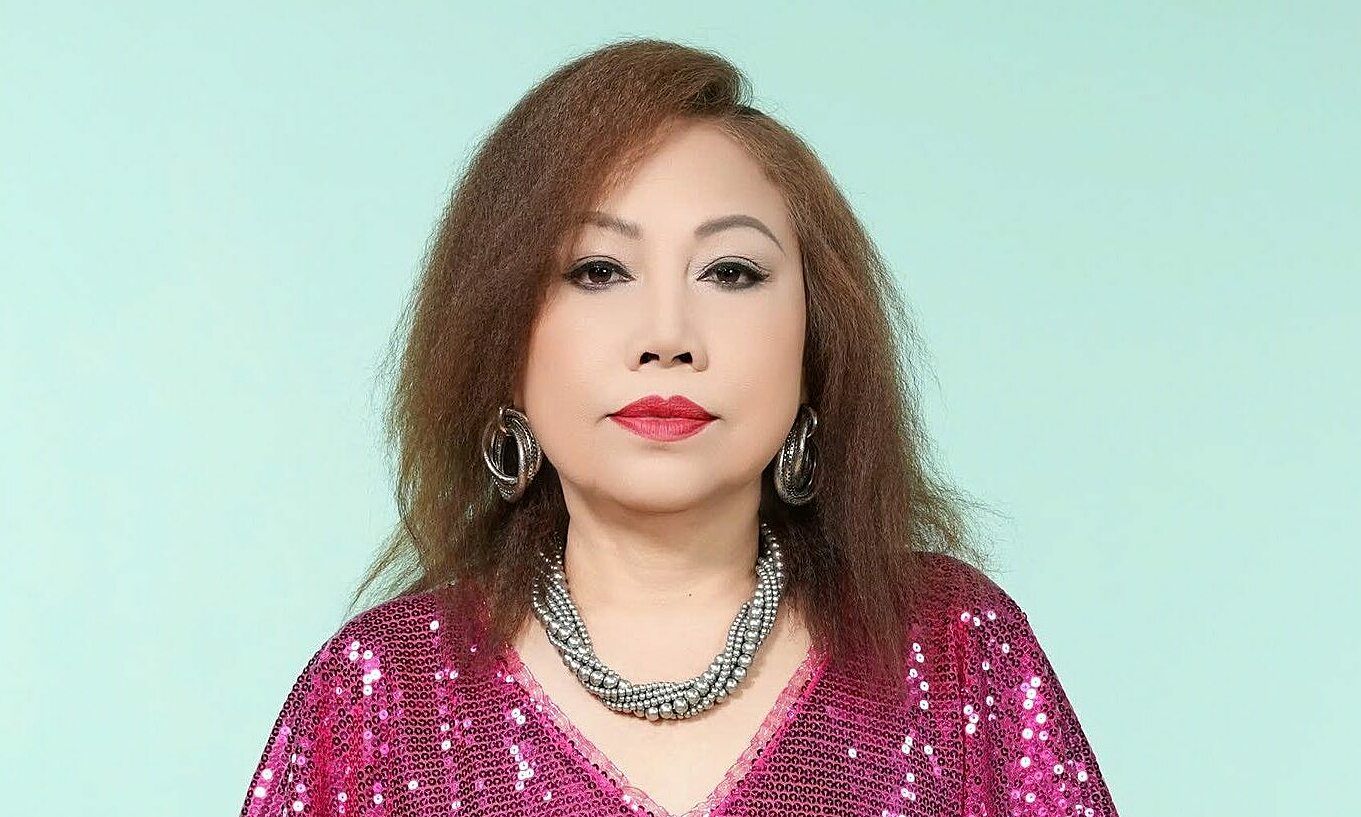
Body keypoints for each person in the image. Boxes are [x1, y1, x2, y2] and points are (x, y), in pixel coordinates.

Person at [239, 38, 1118, 817]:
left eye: (730, 272)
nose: (666, 337)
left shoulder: (957, 650)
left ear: (816, 341)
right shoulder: (378, 696)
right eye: (596, 269)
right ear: (501, 338)